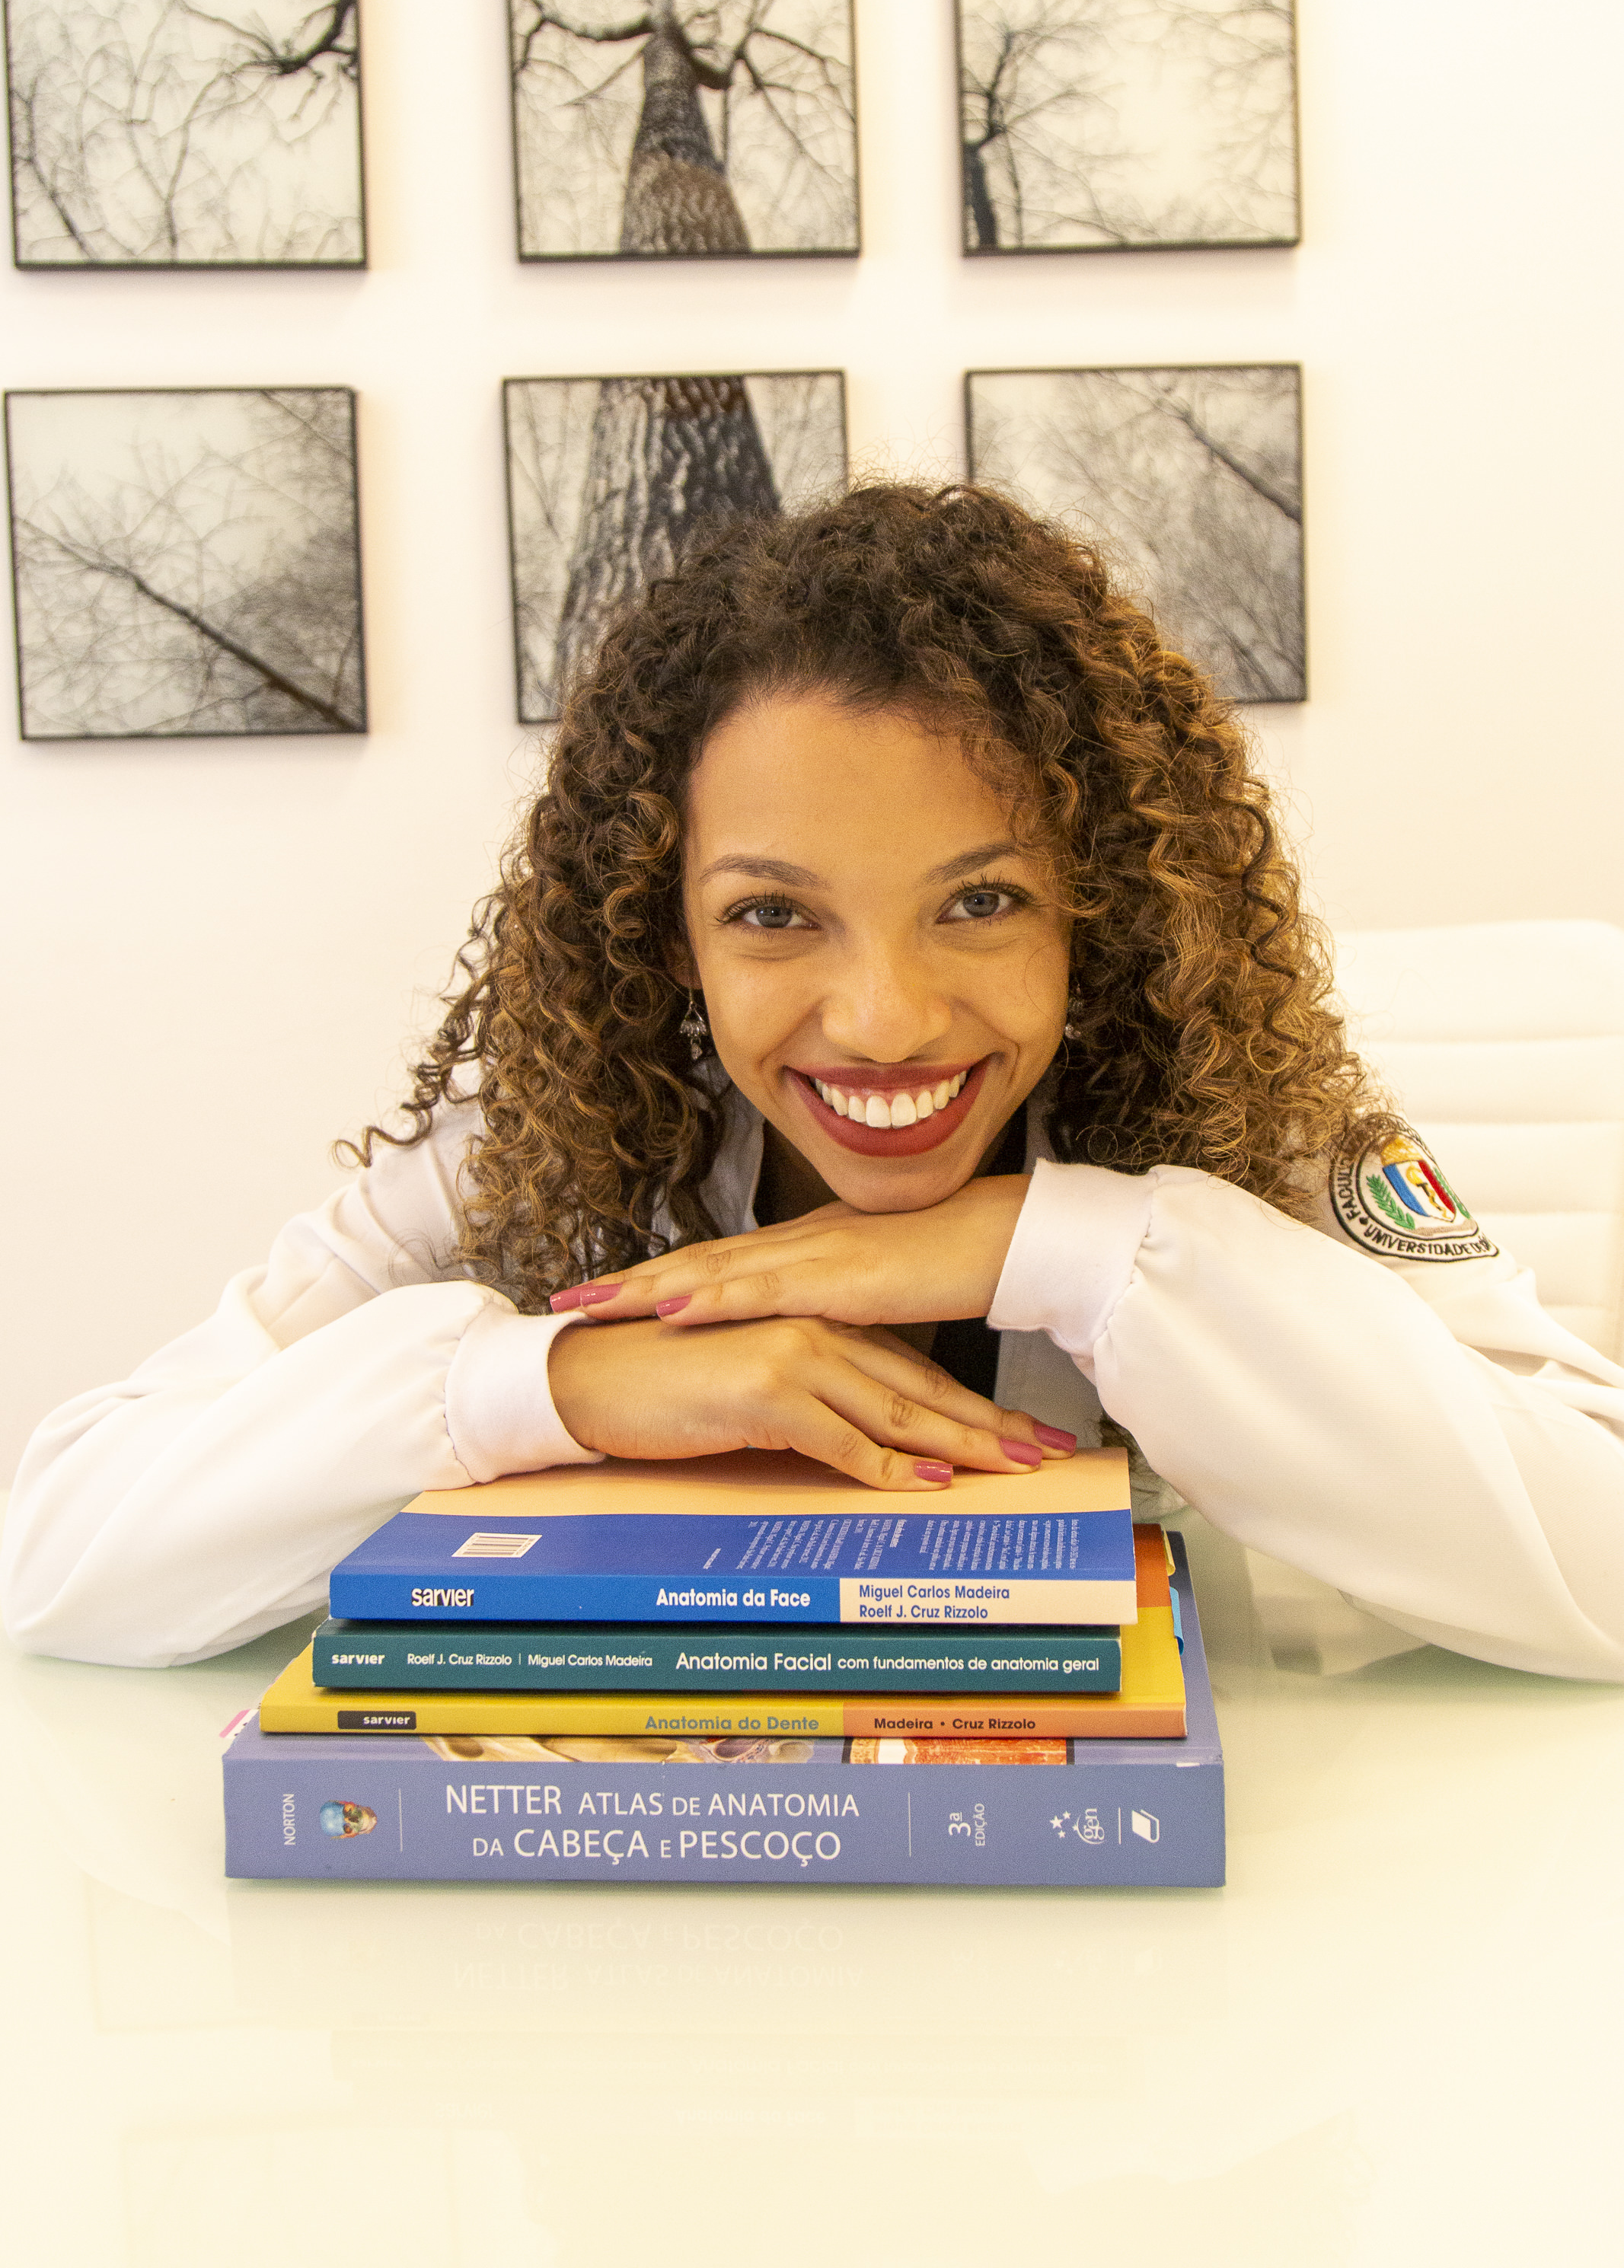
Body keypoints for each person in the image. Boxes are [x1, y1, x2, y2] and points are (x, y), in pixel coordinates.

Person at [5, 484, 1622, 1677]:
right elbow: (57, 1543)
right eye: (773, 915)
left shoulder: (1257, 1119)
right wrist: (549, 1388)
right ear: (668, 931)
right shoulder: (533, 1152)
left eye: (980, 902)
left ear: (1096, 903)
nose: (886, 1019)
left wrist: (1064, 1251)